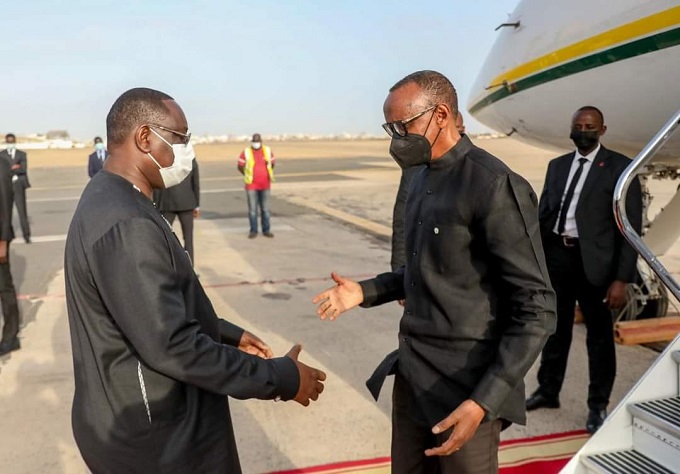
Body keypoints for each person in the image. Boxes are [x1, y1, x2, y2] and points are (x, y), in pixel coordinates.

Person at [64, 88, 326, 473]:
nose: (187, 149)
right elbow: (173, 347)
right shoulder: (129, 224)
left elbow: (143, 308)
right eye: (180, 138)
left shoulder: (110, 197)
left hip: (133, 423)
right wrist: (281, 378)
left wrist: (223, 332)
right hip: (158, 441)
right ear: (144, 138)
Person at [313, 71, 556, 473]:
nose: (396, 138)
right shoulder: (420, 178)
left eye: (403, 126)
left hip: (466, 388)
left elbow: (537, 307)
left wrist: (484, 401)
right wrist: (365, 292)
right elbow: (425, 271)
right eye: (390, 127)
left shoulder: (493, 185)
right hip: (413, 378)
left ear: (440, 114)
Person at [526, 106, 643, 434]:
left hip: (598, 267)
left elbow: (630, 230)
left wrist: (622, 278)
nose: (582, 131)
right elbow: (545, 213)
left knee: (600, 339)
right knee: (554, 330)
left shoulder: (620, 169)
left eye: (589, 126)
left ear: (602, 130)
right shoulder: (557, 166)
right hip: (558, 259)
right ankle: (548, 391)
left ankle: (597, 405)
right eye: (577, 126)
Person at [391, 112, 466, 272]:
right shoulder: (415, 171)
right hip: (422, 278)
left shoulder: (484, 176)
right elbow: (402, 223)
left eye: (456, 130)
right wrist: (400, 272)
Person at [153, 156, 200, 265]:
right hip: (187, 202)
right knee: (188, 239)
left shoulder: (165, 155)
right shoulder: (189, 158)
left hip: (167, 202)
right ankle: (190, 268)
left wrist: (156, 203)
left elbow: (157, 180)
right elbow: (195, 182)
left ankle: (169, 267)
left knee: (165, 239)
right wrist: (197, 204)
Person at [0, 151, 20, 357]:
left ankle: (11, 336)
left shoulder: (2, 163)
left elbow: (5, 204)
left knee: (4, 288)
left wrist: (3, 242)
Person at [238, 133, 275, 239]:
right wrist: (247, 174)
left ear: (261, 141)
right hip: (251, 185)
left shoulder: (267, 151)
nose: (256, 143)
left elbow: (272, 164)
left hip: (265, 185)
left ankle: (266, 230)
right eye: (254, 141)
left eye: (257, 141)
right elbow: (240, 166)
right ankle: (253, 230)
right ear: (252, 142)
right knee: (253, 210)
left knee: (265, 209)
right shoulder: (246, 152)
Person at [0, 134, 30, 243]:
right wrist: (15, 167)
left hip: (18, 186)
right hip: (5, 188)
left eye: (12, 142)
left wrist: (11, 169)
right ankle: (6, 235)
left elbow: (23, 169)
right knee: (6, 213)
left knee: (22, 211)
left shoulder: (21, 154)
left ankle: (26, 235)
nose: (10, 144)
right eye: (8, 142)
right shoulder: (1, 155)